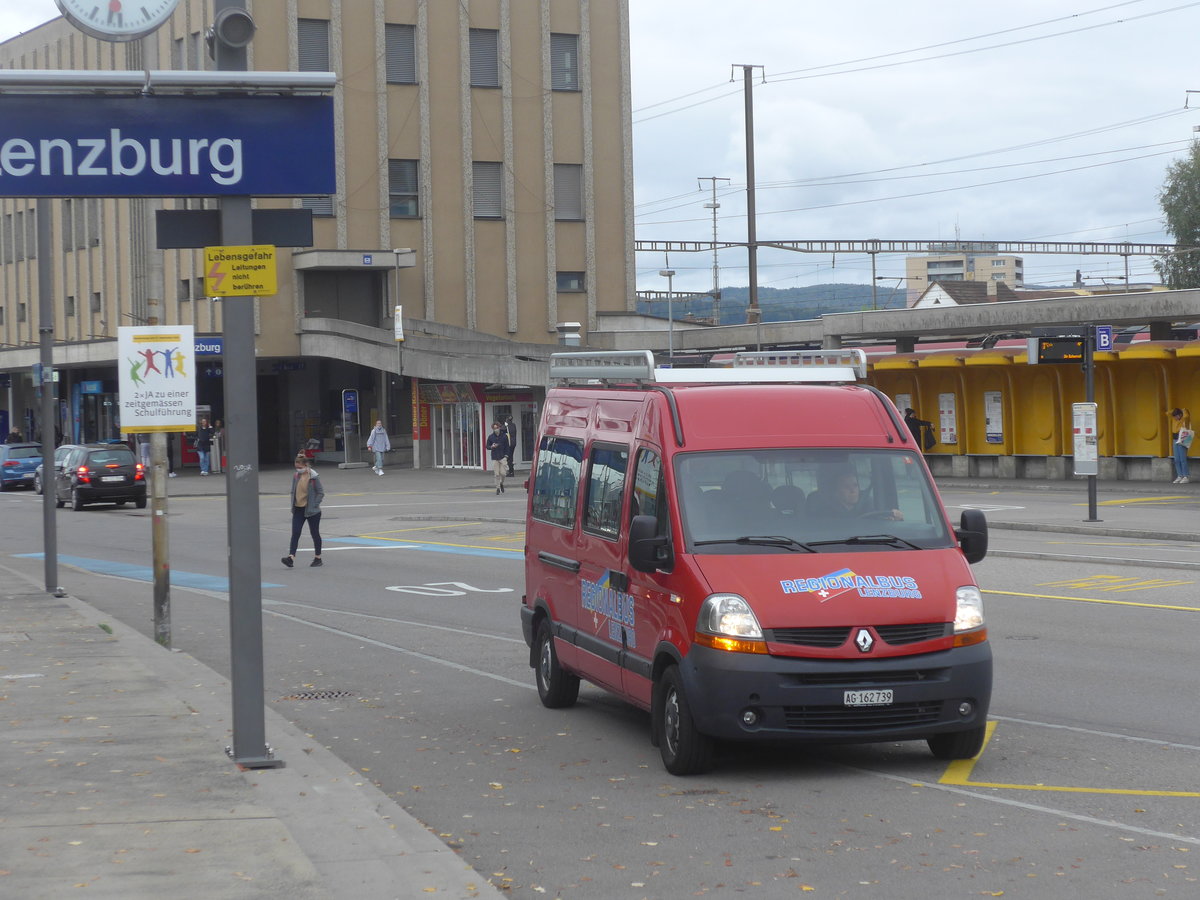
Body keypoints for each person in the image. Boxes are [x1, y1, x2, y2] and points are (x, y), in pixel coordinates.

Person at [808, 470, 902, 521]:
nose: (853, 490)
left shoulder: (868, 506)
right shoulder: (825, 514)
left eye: (855, 485)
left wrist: (893, 517)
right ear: (836, 492)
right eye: (846, 486)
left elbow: (881, 522)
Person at [283, 451, 324, 568]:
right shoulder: (296, 476)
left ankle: (318, 558)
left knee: (314, 533)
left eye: (300, 467)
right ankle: (291, 557)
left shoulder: (313, 477)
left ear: (305, 465)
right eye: (296, 467)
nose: (298, 469)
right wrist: (293, 504)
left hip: (312, 511)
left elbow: (320, 493)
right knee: (295, 533)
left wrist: (314, 505)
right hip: (298, 509)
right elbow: (293, 491)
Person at [485, 421, 510, 494]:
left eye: (497, 428)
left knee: (503, 473)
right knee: (496, 474)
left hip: (502, 457)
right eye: (494, 428)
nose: (496, 429)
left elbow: (507, 447)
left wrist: (506, 456)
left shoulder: (504, 436)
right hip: (495, 457)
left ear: (499, 428)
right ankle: (498, 488)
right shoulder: (491, 437)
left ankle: (501, 483)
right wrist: (491, 446)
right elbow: (487, 446)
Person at [1169, 407, 1192, 484]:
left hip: (1182, 438)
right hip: (1175, 439)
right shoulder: (1173, 419)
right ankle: (1180, 475)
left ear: (1180, 415)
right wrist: (1174, 411)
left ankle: (1186, 476)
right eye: (1174, 416)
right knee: (1177, 459)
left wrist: (1183, 410)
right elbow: (1167, 413)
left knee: (1182, 459)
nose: (1175, 417)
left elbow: (1186, 415)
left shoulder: (1183, 419)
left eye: (1177, 415)